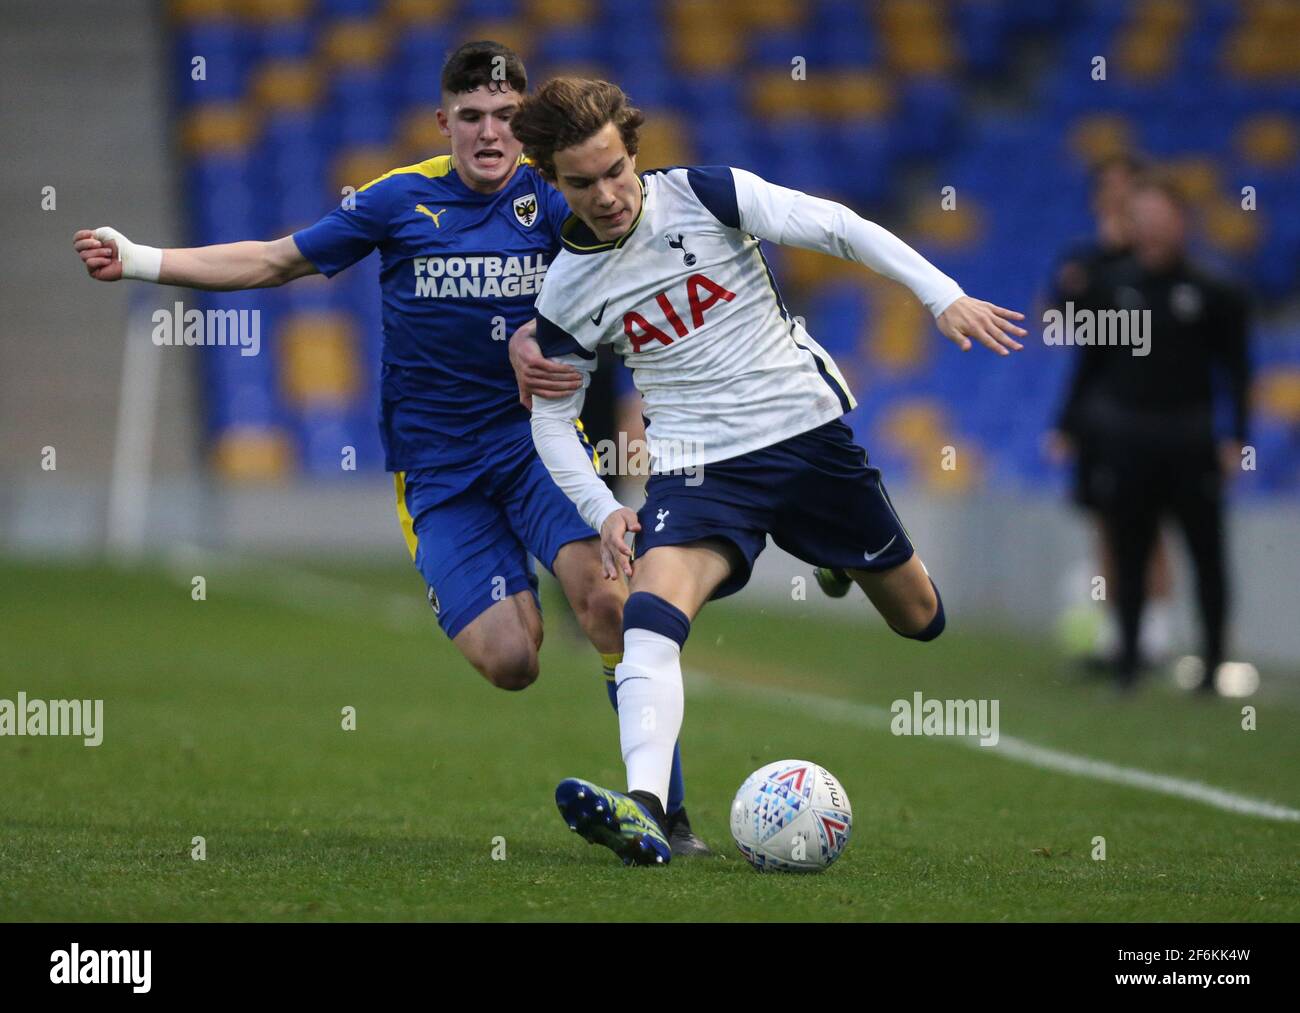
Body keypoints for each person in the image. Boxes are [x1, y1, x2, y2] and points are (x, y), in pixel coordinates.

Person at [72, 43, 706, 854]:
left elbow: (641, 272)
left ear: (527, 125)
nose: (488, 133)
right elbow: (274, 260)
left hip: (538, 450)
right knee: (513, 660)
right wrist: (140, 261)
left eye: (506, 118)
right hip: (439, 471)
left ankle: (661, 816)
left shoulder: (556, 201)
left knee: (613, 604)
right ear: (443, 122)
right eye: (470, 117)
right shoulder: (397, 201)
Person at [508, 78, 1025, 865]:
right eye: (581, 182)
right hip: (698, 466)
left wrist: (940, 294)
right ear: (552, 178)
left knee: (921, 618)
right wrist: (603, 509)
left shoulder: (708, 194)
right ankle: (646, 807)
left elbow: (839, 227)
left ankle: (832, 558)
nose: (607, 194)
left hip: (805, 435)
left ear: (634, 152)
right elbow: (549, 417)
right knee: (648, 611)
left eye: (616, 170)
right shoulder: (568, 290)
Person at [1060, 176, 1251, 690]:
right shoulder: (1112, 286)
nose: (1148, 225)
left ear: (1180, 220)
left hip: (1192, 438)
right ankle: (1127, 663)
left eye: (1158, 214)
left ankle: (1213, 666)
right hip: (1129, 439)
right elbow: (1090, 362)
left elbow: (1237, 370)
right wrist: (1067, 422)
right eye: (1139, 215)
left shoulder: (1214, 291)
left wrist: (1239, 435)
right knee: (1127, 550)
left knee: (1206, 554)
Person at [1047, 154, 1176, 668]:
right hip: (1103, 412)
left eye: (1128, 190)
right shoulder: (1089, 262)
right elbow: (1058, 322)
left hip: (1156, 408)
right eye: (1109, 190)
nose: (1118, 200)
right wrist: (1068, 421)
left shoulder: (1159, 264)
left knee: (1153, 524)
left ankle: (1158, 636)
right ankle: (1115, 637)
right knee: (1105, 523)